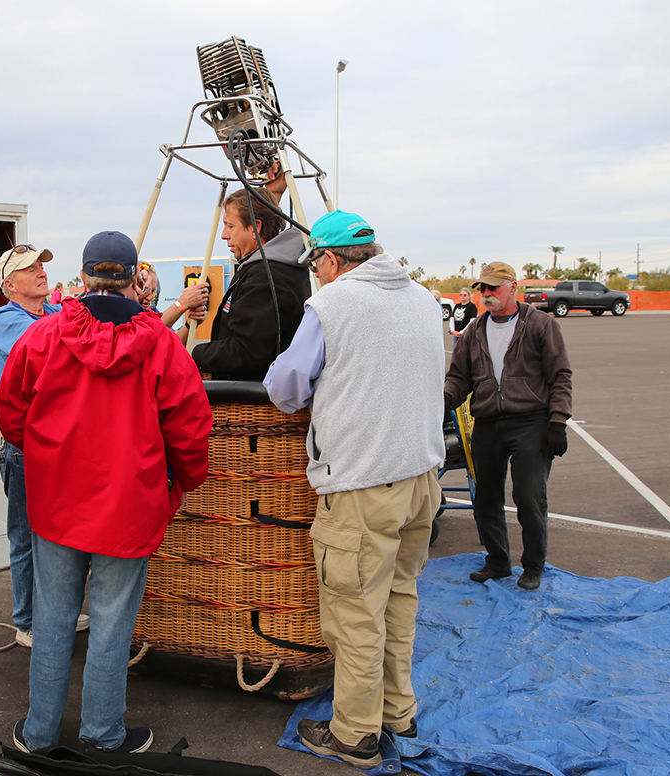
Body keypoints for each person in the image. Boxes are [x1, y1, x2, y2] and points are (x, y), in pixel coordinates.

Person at [0, 230, 212, 755]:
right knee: (112, 626)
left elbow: (11, 413)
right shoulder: (161, 343)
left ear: (86, 274)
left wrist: (48, 456)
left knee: (51, 621)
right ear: (134, 278)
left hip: (57, 503)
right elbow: (190, 429)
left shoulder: (42, 337)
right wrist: (180, 482)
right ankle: (102, 737)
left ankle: (40, 734)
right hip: (129, 506)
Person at [263, 210, 445, 771]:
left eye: (316, 262)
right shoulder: (424, 299)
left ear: (332, 260)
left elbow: (285, 385)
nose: (316, 273)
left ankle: (354, 735)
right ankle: (398, 712)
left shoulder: (333, 305)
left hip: (363, 487)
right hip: (420, 481)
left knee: (354, 614)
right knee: (398, 601)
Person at [444, 262, 572, 591]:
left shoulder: (541, 324)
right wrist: (443, 401)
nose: (485, 294)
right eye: (481, 289)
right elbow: (459, 377)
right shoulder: (475, 329)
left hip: (531, 422)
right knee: (486, 498)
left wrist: (557, 421)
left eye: (493, 288)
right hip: (487, 423)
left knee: (529, 497)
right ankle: (498, 561)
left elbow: (560, 376)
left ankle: (533, 566)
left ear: (513, 287)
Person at [0, 244, 88, 648]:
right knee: (26, 537)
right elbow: (52, 351)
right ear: (10, 285)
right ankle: (26, 622)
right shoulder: (5, 319)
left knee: (61, 534)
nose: (41, 272)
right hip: (24, 447)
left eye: (41, 265)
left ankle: (56, 611)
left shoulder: (53, 313)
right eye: (29, 269)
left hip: (57, 444)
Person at [191, 179, 311, 381]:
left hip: (251, 400)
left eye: (230, 226)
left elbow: (247, 351)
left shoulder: (264, 277)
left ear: (255, 227)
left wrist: (195, 354)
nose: (223, 235)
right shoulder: (282, 266)